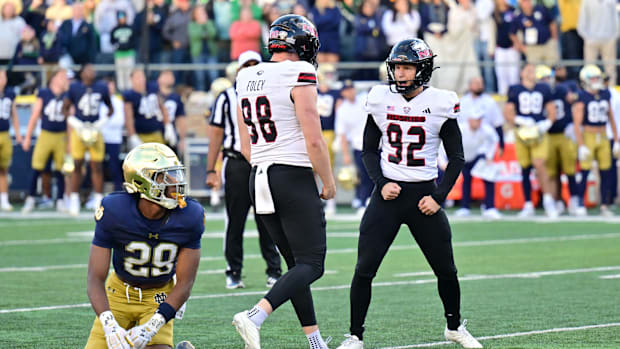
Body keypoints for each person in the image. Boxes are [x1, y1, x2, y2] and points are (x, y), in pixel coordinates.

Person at [335, 38, 481, 349]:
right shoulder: (380, 99)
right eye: (397, 67)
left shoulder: (441, 102)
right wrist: (379, 182)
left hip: (424, 197)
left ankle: (454, 327)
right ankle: (355, 336)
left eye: (407, 67)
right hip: (387, 195)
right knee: (364, 269)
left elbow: (456, 157)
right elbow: (369, 150)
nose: (400, 74)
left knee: (446, 269)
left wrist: (439, 197)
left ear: (423, 69)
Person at [232, 14, 335, 349]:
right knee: (312, 263)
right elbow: (314, 138)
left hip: (258, 174)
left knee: (296, 266)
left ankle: (315, 342)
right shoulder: (299, 72)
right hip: (290, 176)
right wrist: (328, 181)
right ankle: (255, 315)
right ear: (302, 45)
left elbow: (246, 144)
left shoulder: (245, 76)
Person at [84, 142, 203, 349]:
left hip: (158, 295)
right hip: (119, 292)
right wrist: (109, 324)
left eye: (175, 173)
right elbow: (95, 278)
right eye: (165, 176)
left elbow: (185, 283)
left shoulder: (190, 215)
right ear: (142, 181)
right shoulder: (114, 210)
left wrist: (154, 325)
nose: (176, 182)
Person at [206, 50, 282, 290]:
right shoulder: (227, 97)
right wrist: (210, 169)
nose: (250, 68)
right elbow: (216, 134)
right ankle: (234, 271)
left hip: (264, 161)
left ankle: (274, 270)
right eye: (246, 65)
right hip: (237, 162)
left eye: (254, 64)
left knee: (268, 218)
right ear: (238, 70)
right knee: (235, 219)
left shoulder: (273, 93)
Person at [504, 63, 557, 218]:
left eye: (532, 70)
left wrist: (546, 123)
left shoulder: (544, 88)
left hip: (539, 132)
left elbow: (552, 110)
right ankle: (528, 203)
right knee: (525, 168)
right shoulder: (514, 89)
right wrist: (520, 120)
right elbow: (508, 112)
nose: (530, 73)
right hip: (522, 132)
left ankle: (548, 201)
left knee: (539, 164)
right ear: (521, 73)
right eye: (527, 70)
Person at [62, 64, 114, 215]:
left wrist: (101, 123)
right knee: (77, 165)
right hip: (79, 130)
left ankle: (98, 200)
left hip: (94, 130)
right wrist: (75, 123)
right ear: (82, 73)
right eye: (89, 70)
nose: (92, 72)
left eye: (93, 70)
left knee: (97, 165)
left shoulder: (101, 87)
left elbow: (111, 108)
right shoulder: (74, 88)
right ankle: (74, 199)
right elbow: (64, 109)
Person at [573, 65, 620, 216]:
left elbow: (611, 118)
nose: (597, 81)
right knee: (585, 170)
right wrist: (581, 145)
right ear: (585, 80)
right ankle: (580, 202)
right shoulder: (582, 96)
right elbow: (577, 124)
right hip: (589, 136)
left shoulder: (606, 94)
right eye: (593, 78)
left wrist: (617, 140)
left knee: (606, 171)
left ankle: (604, 205)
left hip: (604, 135)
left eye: (598, 78)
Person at [21, 69, 68, 214]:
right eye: (61, 76)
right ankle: (30, 199)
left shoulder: (68, 94)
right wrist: (28, 137)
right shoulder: (44, 93)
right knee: (37, 166)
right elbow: (35, 115)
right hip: (46, 134)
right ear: (53, 78)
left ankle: (60, 200)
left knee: (61, 169)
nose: (64, 79)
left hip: (62, 135)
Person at [535, 65, 580, 216]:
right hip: (547, 135)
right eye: (543, 79)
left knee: (569, 168)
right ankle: (557, 200)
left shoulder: (561, 89)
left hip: (563, 133)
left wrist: (571, 124)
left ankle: (574, 200)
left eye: (548, 78)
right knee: (552, 171)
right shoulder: (538, 94)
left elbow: (575, 102)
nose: (547, 81)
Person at [454, 110, 501, 219]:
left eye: (480, 120)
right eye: (476, 120)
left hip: (478, 155)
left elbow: (494, 141)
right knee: (466, 180)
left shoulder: (486, 130)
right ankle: (465, 207)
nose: (478, 122)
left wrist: (489, 156)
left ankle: (490, 207)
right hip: (463, 157)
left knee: (488, 177)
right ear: (470, 120)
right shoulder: (461, 129)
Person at [334, 79, 372, 214]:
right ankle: (362, 200)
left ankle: (368, 200)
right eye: (347, 90)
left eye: (352, 89)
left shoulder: (364, 100)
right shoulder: (343, 110)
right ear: (343, 93)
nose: (350, 92)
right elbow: (342, 134)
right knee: (362, 174)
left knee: (374, 174)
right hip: (358, 145)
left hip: (374, 143)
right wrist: (345, 154)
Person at [123, 69, 176, 149]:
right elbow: (128, 118)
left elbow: (162, 107)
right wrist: (132, 136)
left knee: (159, 158)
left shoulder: (152, 88)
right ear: (132, 80)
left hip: (156, 132)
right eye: (137, 77)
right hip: (141, 134)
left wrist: (168, 126)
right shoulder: (130, 95)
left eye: (142, 76)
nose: (140, 79)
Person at [316, 63, 340, 215]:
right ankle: (314, 199)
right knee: (310, 170)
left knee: (327, 169)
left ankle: (331, 201)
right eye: (328, 74)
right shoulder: (312, 91)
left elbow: (340, 114)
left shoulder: (336, 93)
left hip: (329, 132)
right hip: (314, 132)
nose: (330, 77)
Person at [459, 77, 505, 155]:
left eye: (481, 83)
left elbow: (498, 123)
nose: (479, 86)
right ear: (470, 86)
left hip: (484, 141)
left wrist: (501, 145)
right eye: (477, 83)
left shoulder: (490, 102)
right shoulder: (462, 102)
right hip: (465, 141)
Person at [0, 69, 21, 211]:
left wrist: (18, 134)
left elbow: (14, 114)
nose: (2, 79)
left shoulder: (9, 93)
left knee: (4, 169)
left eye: (3, 76)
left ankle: (4, 199)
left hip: (5, 134)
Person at [157, 71, 186, 154]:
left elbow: (181, 118)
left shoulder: (176, 97)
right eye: (165, 75)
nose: (168, 78)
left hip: (171, 135)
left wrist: (182, 139)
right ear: (159, 79)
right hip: (155, 134)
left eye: (170, 76)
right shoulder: (153, 94)